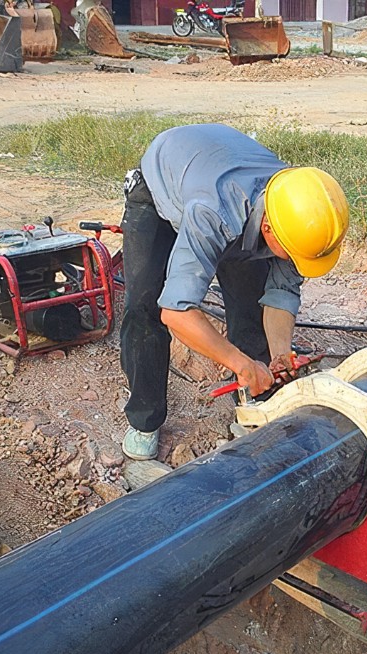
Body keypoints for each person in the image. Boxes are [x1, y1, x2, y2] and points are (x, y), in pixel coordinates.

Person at [118, 123, 350, 461]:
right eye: (291, 253)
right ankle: (144, 420)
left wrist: (280, 353)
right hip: (161, 186)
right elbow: (176, 312)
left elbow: (280, 292)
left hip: (219, 174)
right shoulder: (213, 214)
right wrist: (240, 363)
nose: (294, 263)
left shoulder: (295, 207)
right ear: (269, 228)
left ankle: (253, 404)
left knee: (249, 305)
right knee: (145, 307)